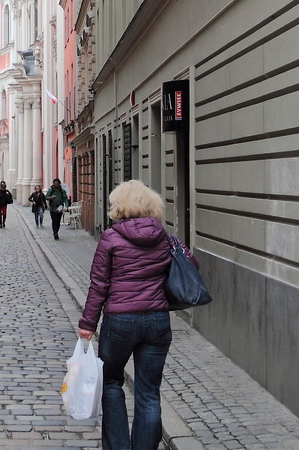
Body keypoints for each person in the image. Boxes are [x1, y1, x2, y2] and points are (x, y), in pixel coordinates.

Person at [78, 180, 195, 450]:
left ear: (119, 206)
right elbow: (190, 264)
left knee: (111, 383)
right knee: (149, 392)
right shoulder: (166, 237)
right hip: (157, 321)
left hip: (120, 321)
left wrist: (88, 324)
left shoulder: (111, 237)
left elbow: (99, 284)